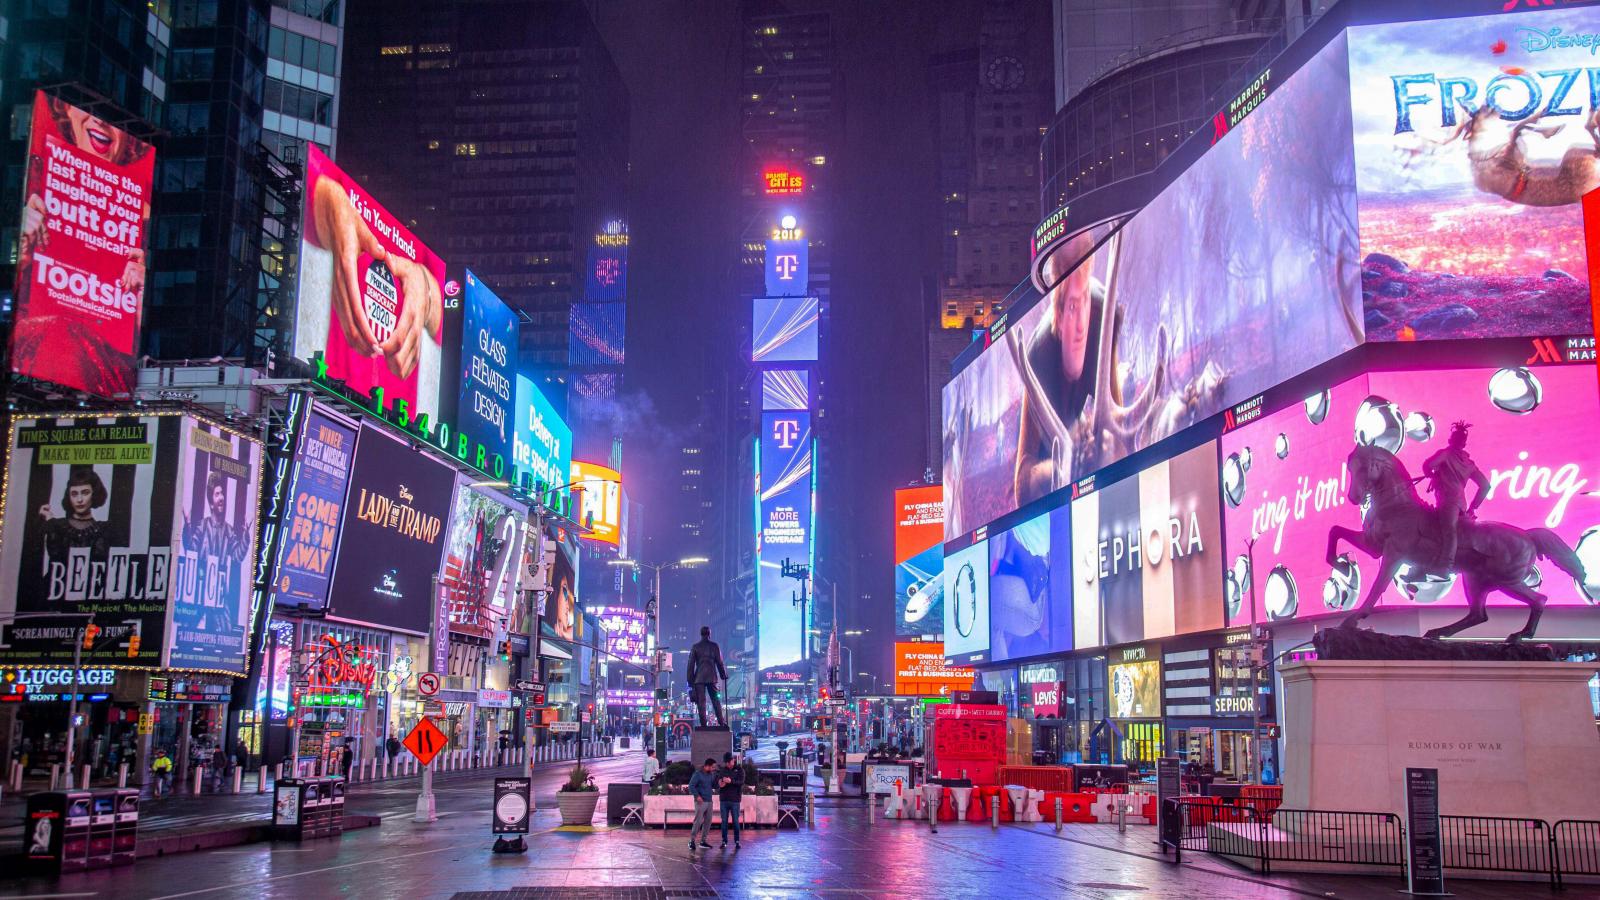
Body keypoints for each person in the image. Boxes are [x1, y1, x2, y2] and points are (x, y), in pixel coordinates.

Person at [1422, 421, 1490, 571]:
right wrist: (1473, 507)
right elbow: (1485, 486)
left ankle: (1445, 566)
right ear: (1464, 444)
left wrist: (1432, 475)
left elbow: (1428, 465)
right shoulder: (1469, 463)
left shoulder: (1446, 454)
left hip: (1447, 500)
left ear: (1450, 440)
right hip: (1460, 503)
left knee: (1448, 531)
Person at [686, 626, 728, 728]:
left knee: (701, 702)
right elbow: (720, 662)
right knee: (715, 700)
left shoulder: (695, 647)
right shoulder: (715, 646)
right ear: (709, 634)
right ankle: (721, 723)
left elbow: (690, 665)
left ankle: (703, 724)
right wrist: (723, 674)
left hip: (699, 678)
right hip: (711, 677)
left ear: (701, 634)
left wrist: (690, 680)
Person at [687, 758, 718, 851]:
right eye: (712, 767)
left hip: (709, 801)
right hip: (700, 801)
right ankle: (691, 841)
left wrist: (720, 783)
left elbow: (713, 785)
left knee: (708, 822)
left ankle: (703, 841)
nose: (714, 768)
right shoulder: (698, 774)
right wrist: (697, 796)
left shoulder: (711, 774)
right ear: (707, 766)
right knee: (698, 822)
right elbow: (691, 785)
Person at [717, 752, 745, 849]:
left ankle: (737, 841)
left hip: (735, 800)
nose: (728, 764)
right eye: (726, 763)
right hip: (724, 799)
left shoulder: (739, 770)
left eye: (729, 762)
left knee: (735, 821)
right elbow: (718, 781)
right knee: (724, 821)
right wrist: (721, 783)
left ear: (732, 760)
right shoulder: (723, 770)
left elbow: (741, 782)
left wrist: (731, 781)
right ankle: (724, 841)